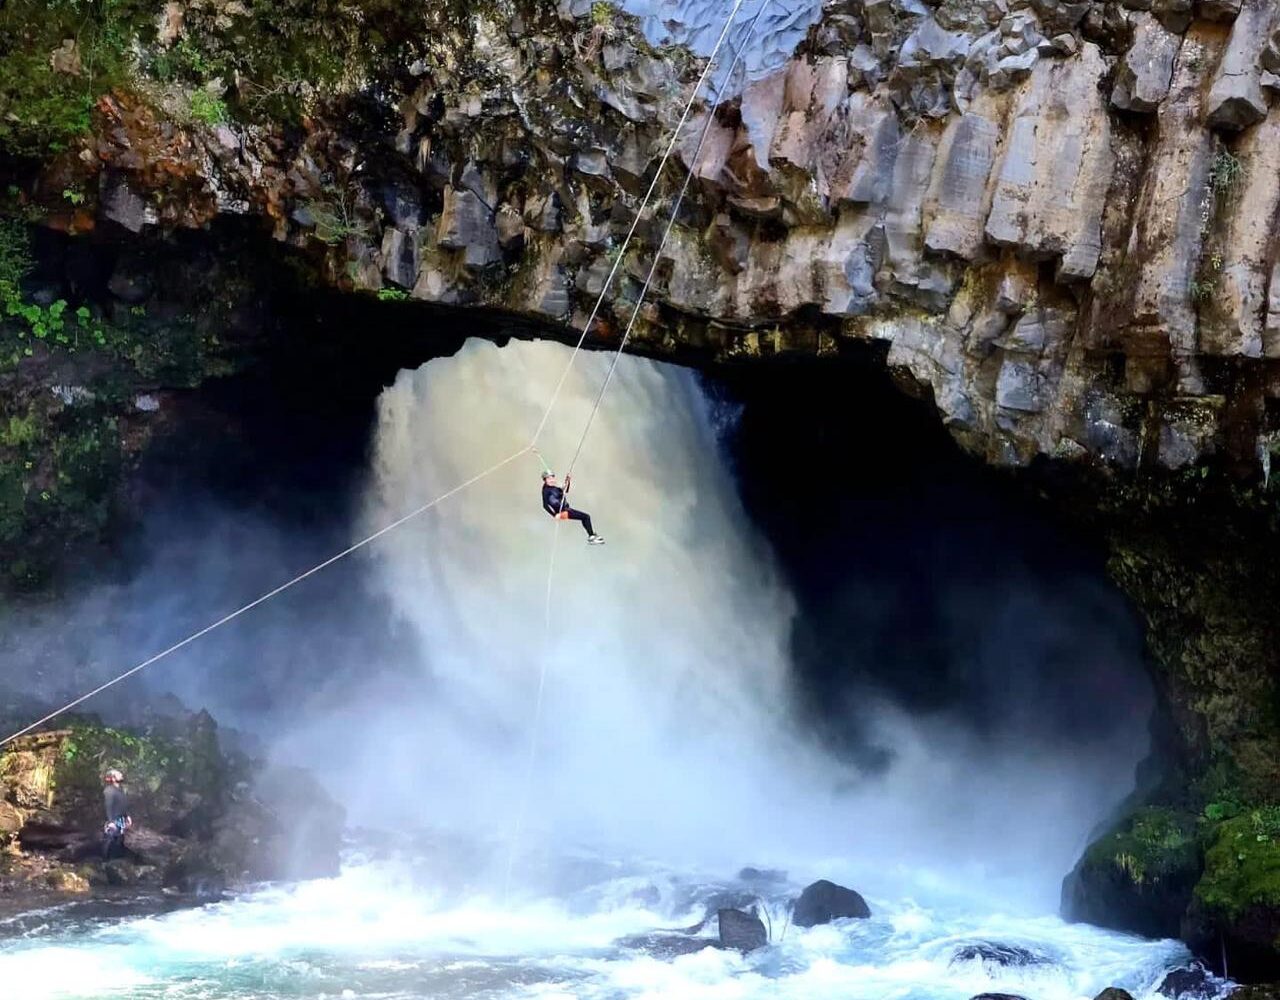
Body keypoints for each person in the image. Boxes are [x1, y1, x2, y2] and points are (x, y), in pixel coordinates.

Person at [541, 471, 604, 545]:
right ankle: (591, 536)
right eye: (549, 478)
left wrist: (568, 480)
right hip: (562, 512)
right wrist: (554, 515)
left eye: (552, 478)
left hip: (567, 509)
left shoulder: (554, 488)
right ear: (545, 480)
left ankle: (591, 535)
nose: (551, 480)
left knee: (584, 517)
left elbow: (565, 490)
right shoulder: (546, 490)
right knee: (586, 517)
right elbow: (545, 505)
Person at [101, 768, 132, 861]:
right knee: (110, 839)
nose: (121, 775)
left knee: (120, 839)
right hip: (113, 819)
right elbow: (108, 806)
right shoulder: (109, 791)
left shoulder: (120, 790)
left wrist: (127, 816)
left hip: (120, 818)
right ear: (113, 778)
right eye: (118, 774)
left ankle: (116, 861)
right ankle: (105, 861)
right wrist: (110, 821)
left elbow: (123, 804)